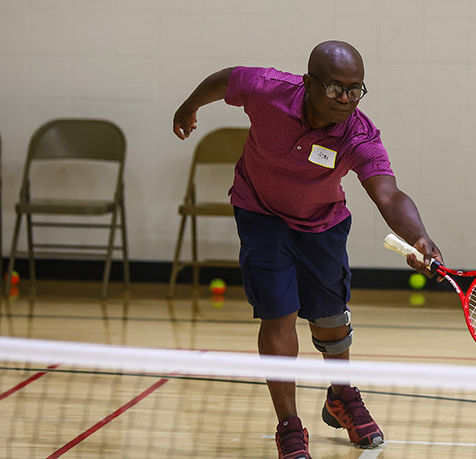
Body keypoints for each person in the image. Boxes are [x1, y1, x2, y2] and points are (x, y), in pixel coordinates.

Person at [172, 40, 442, 459]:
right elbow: (225, 80)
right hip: (260, 214)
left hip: (321, 223)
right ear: (309, 84)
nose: (346, 99)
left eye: (356, 90)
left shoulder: (357, 133)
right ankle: (289, 426)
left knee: (330, 319)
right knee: (279, 314)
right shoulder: (267, 89)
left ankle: (341, 395)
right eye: (336, 89)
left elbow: (387, 194)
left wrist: (420, 237)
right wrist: (189, 106)